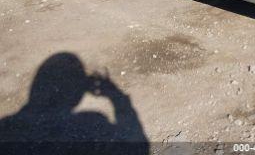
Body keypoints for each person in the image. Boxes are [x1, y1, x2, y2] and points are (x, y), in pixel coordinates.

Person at [0, 53, 148, 153]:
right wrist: (116, 96)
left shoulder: (6, 128)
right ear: (78, 93)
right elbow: (138, 148)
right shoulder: (91, 126)